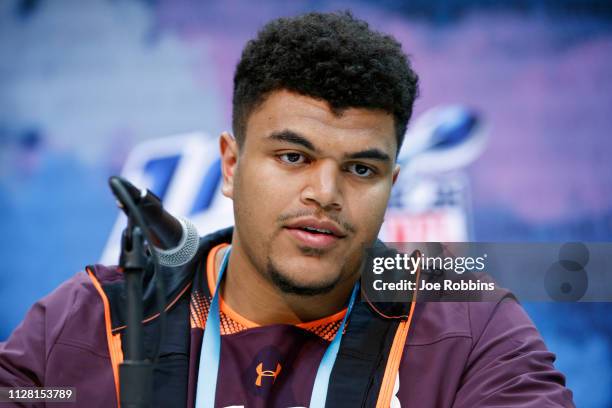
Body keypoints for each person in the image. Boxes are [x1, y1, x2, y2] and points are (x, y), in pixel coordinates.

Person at [0, 11, 574, 408]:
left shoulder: (468, 325)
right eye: (294, 156)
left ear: (392, 184)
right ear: (230, 164)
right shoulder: (92, 318)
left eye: (361, 169)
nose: (325, 193)